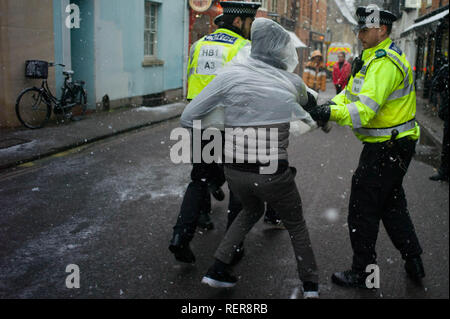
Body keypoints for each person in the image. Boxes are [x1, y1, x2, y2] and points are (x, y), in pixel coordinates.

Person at [181, 18, 320, 298]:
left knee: (251, 210)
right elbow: (311, 104)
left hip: (234, 170)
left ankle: (218, 269)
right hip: (272, 172)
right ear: (282, 52)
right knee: (295, 223)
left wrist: (225, 123)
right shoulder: (291, 81)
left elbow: (188, 117)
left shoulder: (230, 76)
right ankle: (311, 286)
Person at [304, 5, 425, 288]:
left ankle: (364, 273)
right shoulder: (369, 60)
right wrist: (327, 106)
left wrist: (329, 114)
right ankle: (414, 259)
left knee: (363, 208)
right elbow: (350, 96)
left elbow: (364, 111)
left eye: (364, 29)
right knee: (391, 204)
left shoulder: (384, 64)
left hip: (387, 147)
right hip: (390, 146)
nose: (359, 34)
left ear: (381, 30)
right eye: (358, 28)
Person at [169, 1, 261, 264]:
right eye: (249, 22)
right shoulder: (244, 48)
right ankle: (232, 246)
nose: (251, 27)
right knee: (238, 184)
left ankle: (180, 238)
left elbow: (191, 82)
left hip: (201, 121)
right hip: (231, 123)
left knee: (198, 179)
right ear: (237, 22)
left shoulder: (199, 45)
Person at [429, 61, 449, 182]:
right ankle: (444, 171)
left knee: (447, 143)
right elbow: (436, 85)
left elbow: (436, 86)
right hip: (448, 113)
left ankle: (444, 171)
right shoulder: (446, 70)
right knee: (447, 142)